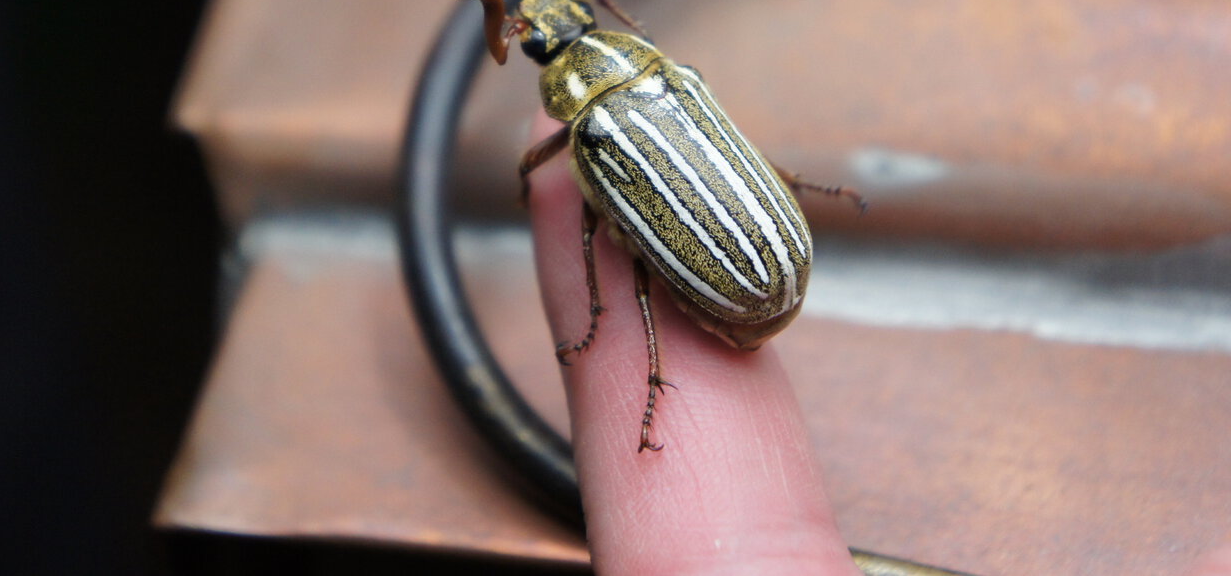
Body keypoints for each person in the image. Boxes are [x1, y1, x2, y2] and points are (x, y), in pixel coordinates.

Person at [524, 113, 1231, 576]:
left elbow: (541, 169)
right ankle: (645, 369)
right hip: (760, 257)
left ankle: (640, 367)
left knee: (617, 262)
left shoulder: (594, 133)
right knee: (632, 267)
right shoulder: (663, 90)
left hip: (737, 274)